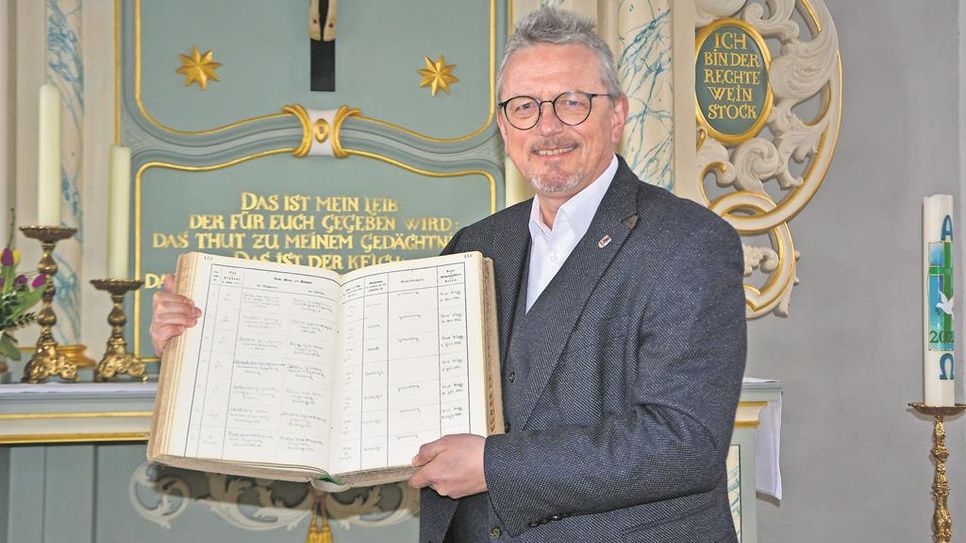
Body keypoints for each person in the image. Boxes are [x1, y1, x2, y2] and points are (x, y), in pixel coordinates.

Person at [150, 8, 746, 542]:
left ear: (615, 116)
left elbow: (682, 443)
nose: (547, 126)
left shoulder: (689, 242)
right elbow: (374, 392)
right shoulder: (478, 246)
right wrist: (204, 349)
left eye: (572, 101)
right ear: (504, 127)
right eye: (524, 107)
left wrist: (492, 465)